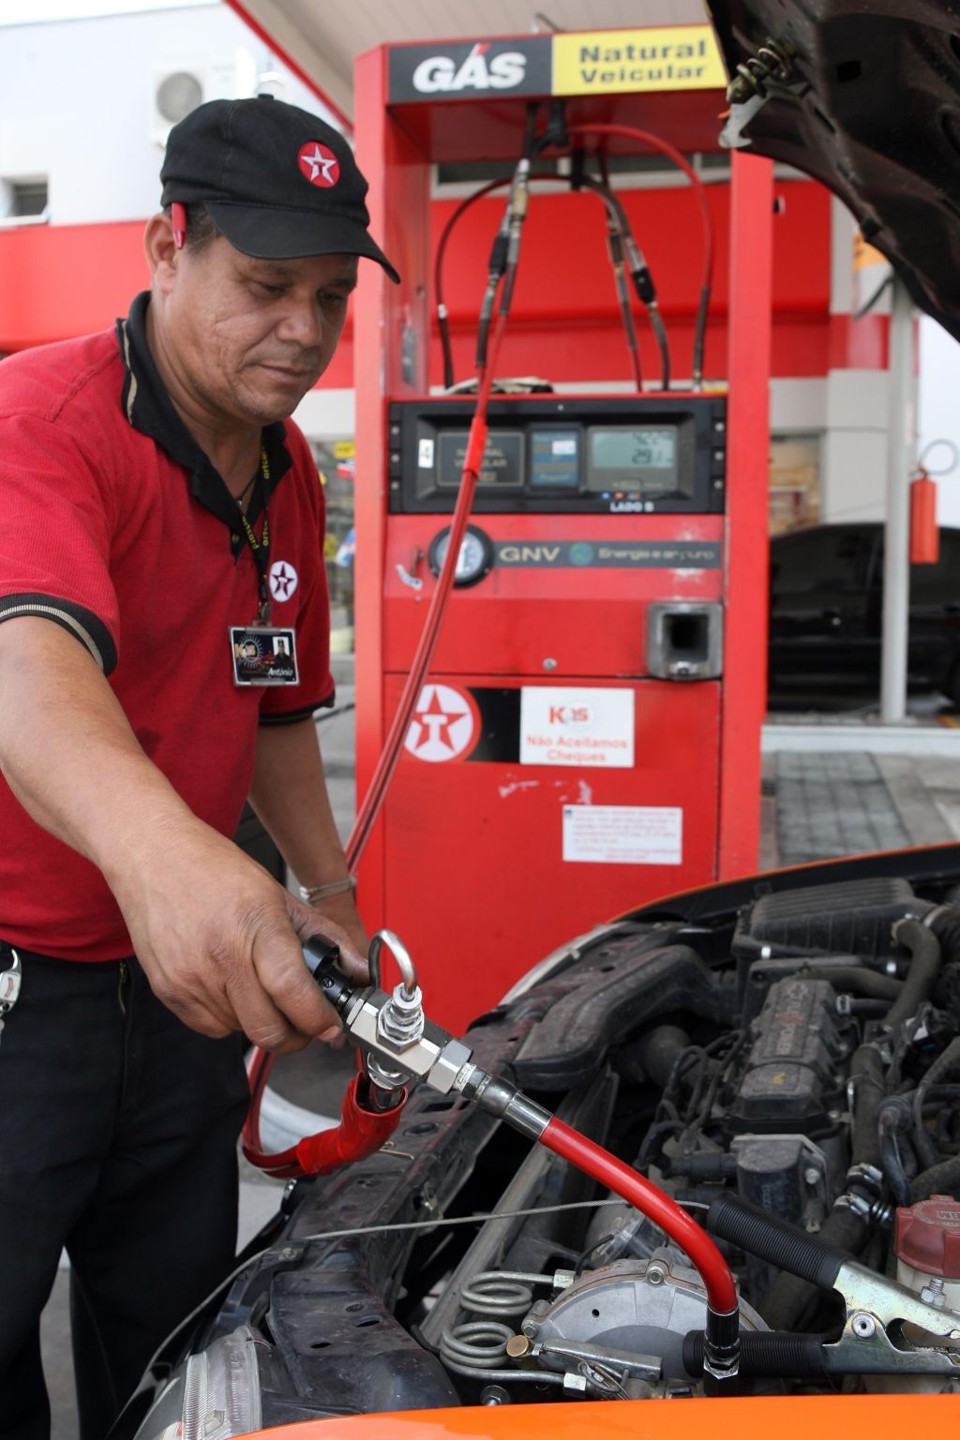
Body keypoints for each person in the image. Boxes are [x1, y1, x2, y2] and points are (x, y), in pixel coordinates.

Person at [0, 95, 399, 1440]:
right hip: (21, 994)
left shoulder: (288, 471)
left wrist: (330, 896)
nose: (304, 331)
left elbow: (275, 706)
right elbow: (28, 666)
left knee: (178, 1339)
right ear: (169, 245)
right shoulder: (38, 423)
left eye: (331, 297)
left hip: (184, 1000)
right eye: (267, 287)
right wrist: (177, 865)